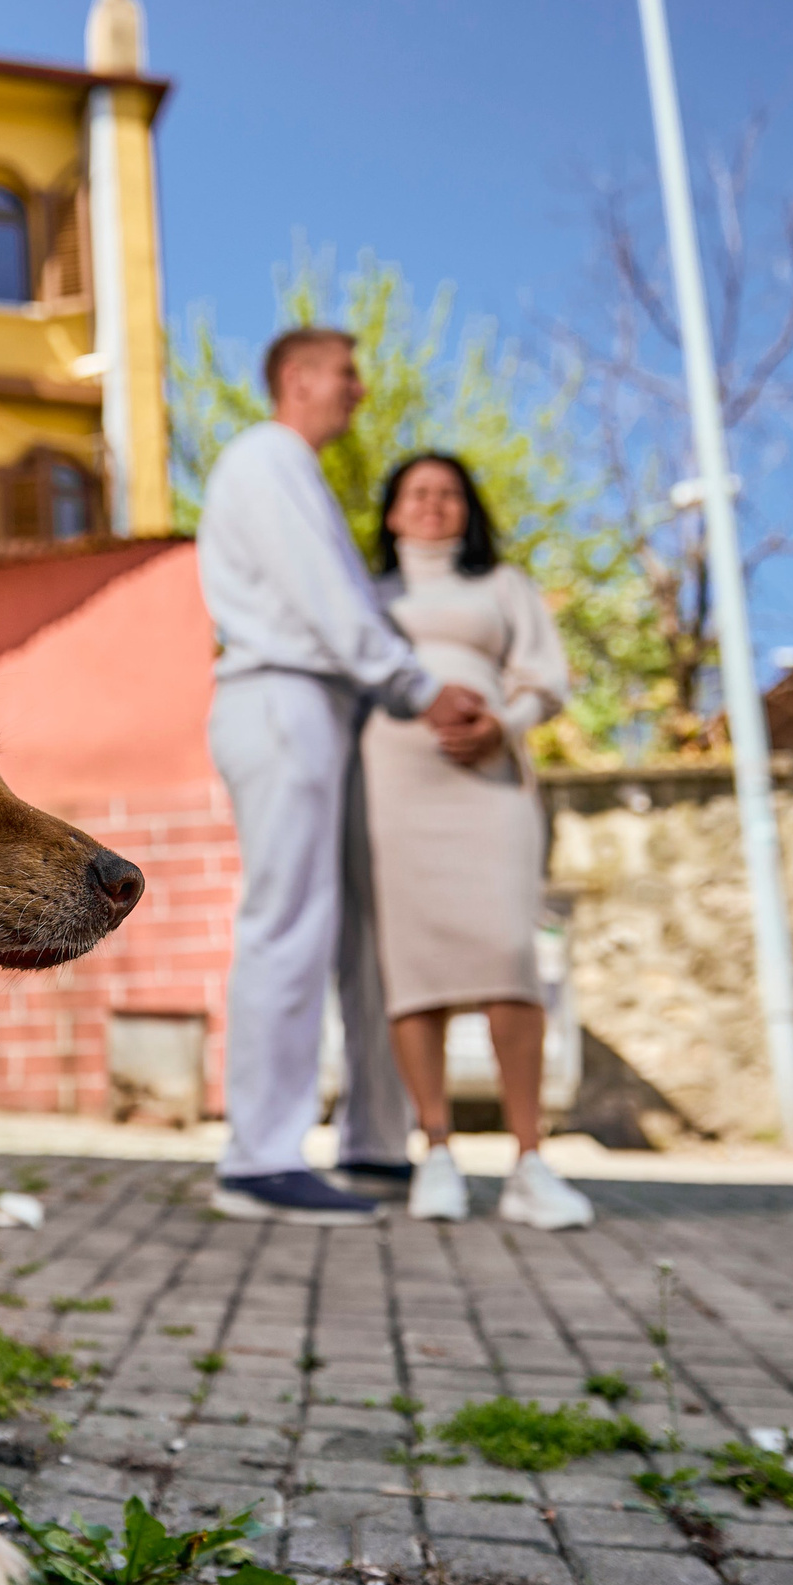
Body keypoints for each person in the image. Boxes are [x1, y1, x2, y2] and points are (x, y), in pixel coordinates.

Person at [197, 330, 492, 1224]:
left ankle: (373, 1138)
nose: (360, 391)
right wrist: (419, 687)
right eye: (348, 374)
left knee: (358, 927)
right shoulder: (269, 458)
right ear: (299, 379)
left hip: (325, 709)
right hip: (284, 699)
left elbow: (343, 597)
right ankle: (260, 1156)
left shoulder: (293, 469)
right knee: (290, 919)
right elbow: (328, 601)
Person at [360, 454, 594, 1229]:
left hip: (490, 788)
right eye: (417, 494)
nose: (434, 505)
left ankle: (530, 1160)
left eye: (449, 493)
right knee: (416, 967)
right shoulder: (371, 593)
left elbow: (547, 678)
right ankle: (437, 1153)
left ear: (468, 509)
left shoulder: (504, 587)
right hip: (397, 789)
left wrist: (504, 726)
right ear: (392, 513)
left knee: (507, 958)